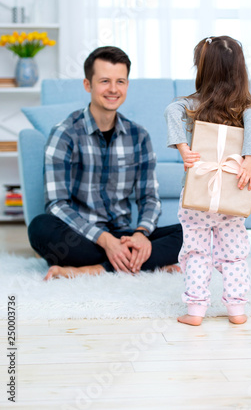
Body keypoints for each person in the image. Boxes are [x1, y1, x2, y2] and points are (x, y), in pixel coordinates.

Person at [28, 46, 183, 280]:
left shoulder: (139, 136)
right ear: (88, 85)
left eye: (120, 81)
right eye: (104, 81)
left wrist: (141, 234)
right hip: (82, 237)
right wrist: (106, 241)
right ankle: (147, 263)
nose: (113, 89)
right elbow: (57, 204)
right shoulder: (65, 134)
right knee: (40, 227)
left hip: (124, 234)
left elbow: (149, 197)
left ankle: (94, 270)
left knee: (195, 232)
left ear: (127, 85)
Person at [164, 35, 251, 326]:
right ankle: (237, 310)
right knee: (234, 254)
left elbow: (171, 111)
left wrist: (183, 148)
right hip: (232, 195)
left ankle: (195, 311)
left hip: (197, 195)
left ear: (202, 70)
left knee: (195, 251)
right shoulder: (246, 109)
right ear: (240, 70)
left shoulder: (192, 105)